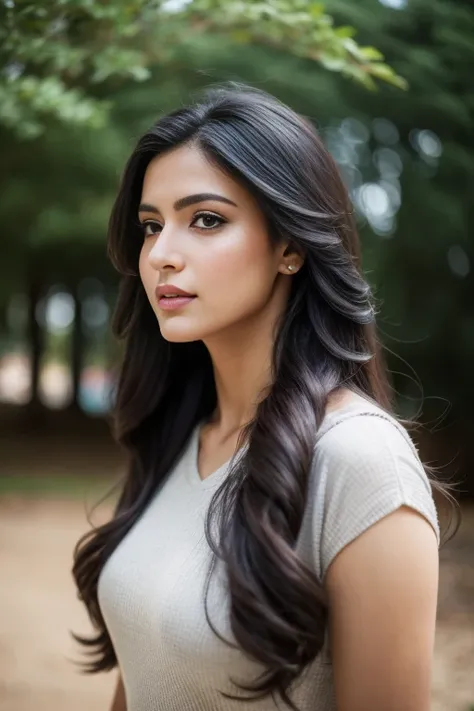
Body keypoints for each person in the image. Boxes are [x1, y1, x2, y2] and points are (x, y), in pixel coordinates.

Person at [73, 84, 458, 711]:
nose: (161, 255)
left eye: (205, 219)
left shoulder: (360, 462)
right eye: (151, 225)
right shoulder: (181, 435)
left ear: (291, 246)